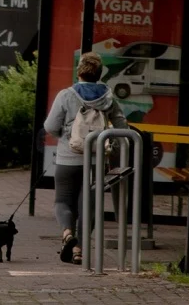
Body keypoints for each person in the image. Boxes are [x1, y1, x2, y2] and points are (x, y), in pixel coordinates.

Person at [44, 52, 127, 265]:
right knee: (88, 206)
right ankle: (79, 250)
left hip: (67, 158)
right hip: (96, 161)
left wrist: (65, 135)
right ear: (99, 73)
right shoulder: (108, 97)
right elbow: (121, 126)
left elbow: (50, 126)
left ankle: (67, 234)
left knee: (62, 201)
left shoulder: (66, 95)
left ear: (79, 72)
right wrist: (113, 146)